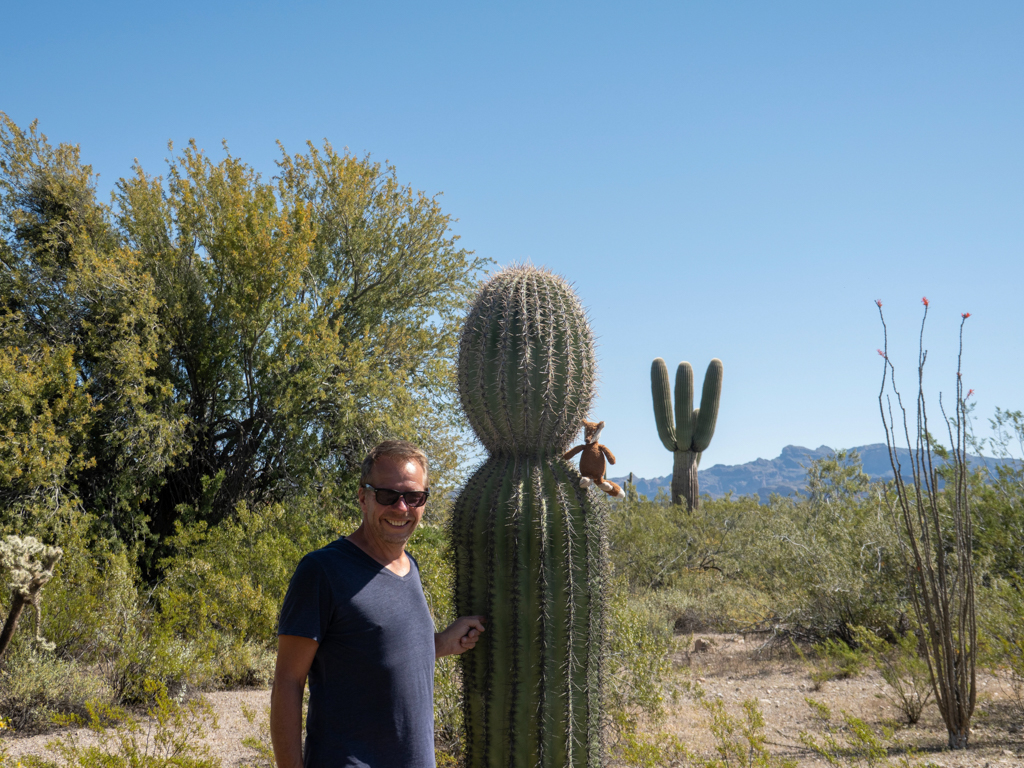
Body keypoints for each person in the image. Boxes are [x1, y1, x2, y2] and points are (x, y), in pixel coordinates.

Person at [270, 440, 484, 768]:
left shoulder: (408, 567)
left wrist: (441, 643)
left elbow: (377, 650)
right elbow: (288, 681)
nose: (401, 508)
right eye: (387, 495)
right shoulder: (322, 570)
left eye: (414, 497)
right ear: (362, 497)